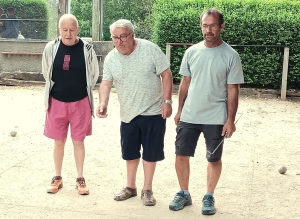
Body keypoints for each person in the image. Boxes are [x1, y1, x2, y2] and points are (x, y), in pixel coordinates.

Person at [168, 8, 244, 215]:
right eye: (204, 25)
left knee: (213, 158)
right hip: (190, 115)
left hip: (216, 117)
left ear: (221, 27)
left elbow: (232, 90)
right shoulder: (191, 52)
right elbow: (185, 83)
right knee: (181, 155)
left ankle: (209, 196)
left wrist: (231, 120)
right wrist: (179, 110)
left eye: (212, 25)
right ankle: (184, 193)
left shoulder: (231, 55)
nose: (208, 30)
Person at [96, 19, 173, 206]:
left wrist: (167, 101)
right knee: (130, 153)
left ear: (132, 35)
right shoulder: (111, 58)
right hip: (128, 113)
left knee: (150, 153)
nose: (119, 41)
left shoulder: (150, 49)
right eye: (115, 37)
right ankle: (130, 187)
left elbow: (166, 74)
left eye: (123, 36)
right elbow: (106, 83)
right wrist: (103, 102)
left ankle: (147, 189)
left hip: (153, 111)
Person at [42, 14, 99, 195]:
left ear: (78, 30)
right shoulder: (51, 48)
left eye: (72, 30)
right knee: (58, 142)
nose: (68, 34)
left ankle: (80, 178)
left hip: (80, 102)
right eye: (64, 30)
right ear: (59, 30)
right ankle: (57, 177)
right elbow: (46, 72)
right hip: (56, 101)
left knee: (78, 141)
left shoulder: (87, 48)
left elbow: (94, 74)